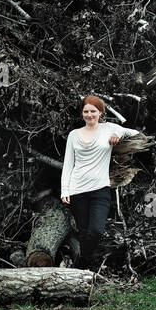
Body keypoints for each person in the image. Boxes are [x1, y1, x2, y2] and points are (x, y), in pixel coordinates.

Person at [60, 95, 139, 271]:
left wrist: (116, 134)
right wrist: (64, 190)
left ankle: (81, 265)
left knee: (96, 230)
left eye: (93, 111)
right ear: (82, 113)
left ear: (100, 112)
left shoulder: (108, 128)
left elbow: (133, 133)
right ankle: (86, 271)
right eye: (86, 111)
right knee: (84, 231)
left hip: (100, 189)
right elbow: (68, 164)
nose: (89, 115)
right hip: (77, 189)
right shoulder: (74, 135)